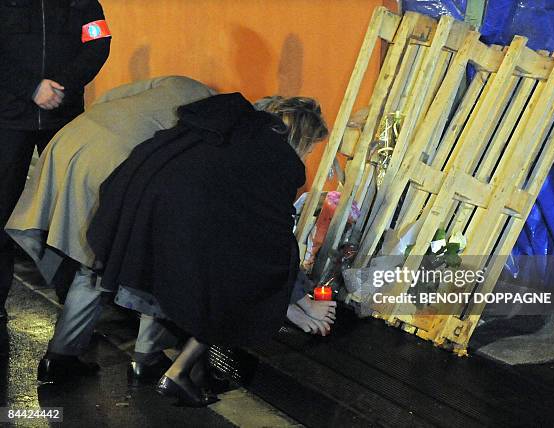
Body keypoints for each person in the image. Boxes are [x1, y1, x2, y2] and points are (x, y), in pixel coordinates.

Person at [5, 77, 335, 385]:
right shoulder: (232, 142)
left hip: (71, 142)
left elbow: (112, 98)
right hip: (123, 169)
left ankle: (65, 356)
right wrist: (293, 301)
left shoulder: (188, 87)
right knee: (151, 264)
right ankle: (143, 358)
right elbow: (264, 235)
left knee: (99, 261)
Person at [86, 91, 332, 406]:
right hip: (180, 223)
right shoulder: (273, 160)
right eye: (310, 148)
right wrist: (298, 300)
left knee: (216, 284)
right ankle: (176, 372)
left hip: (142, 207)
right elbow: (275, 242)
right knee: (230, 289)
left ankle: (172, 369)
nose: (307, 157)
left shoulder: (230, 133)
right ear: (299, 137)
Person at [0, 0, 111, 321]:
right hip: (9, 121)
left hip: (64, 121)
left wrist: (63, 85)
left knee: (69, 215)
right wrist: (32, 88)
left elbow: (99, 41)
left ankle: (72, 304)